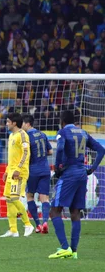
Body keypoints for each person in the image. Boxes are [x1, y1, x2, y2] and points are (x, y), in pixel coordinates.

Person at [48, 111, 105, 259]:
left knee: (54, 211)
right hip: (81, 174)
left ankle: (65, 247)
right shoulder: (83, 133)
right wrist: (92, 168)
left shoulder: (63, 132)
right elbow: (101, 149)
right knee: (75, 212)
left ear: (62, 121)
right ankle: (73, 251)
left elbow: (60, 148)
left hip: (69, 174)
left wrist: (57, 167)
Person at [0, 113, 34, 238]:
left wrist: (18, 169)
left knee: (14, 198)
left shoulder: (23, 135)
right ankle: (13, 229)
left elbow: (26, 154)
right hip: (11, 171)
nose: (7, 123)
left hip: (20, 172)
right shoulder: (11, 136)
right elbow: (12, 157)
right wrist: (6, 171)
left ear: (14, 123)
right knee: (9, 200)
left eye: (8, 121)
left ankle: (28, 224)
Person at [22, 115, 52, 234]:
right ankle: (45, 222)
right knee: (44, 197)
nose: (22, 126)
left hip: (33, 170)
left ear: (28, 123)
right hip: (45, 169)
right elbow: (50, 151)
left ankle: (38, 225)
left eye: (23, 124)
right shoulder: (43, 134)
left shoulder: (26, 137)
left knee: (29, 196)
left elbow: (26, 154)